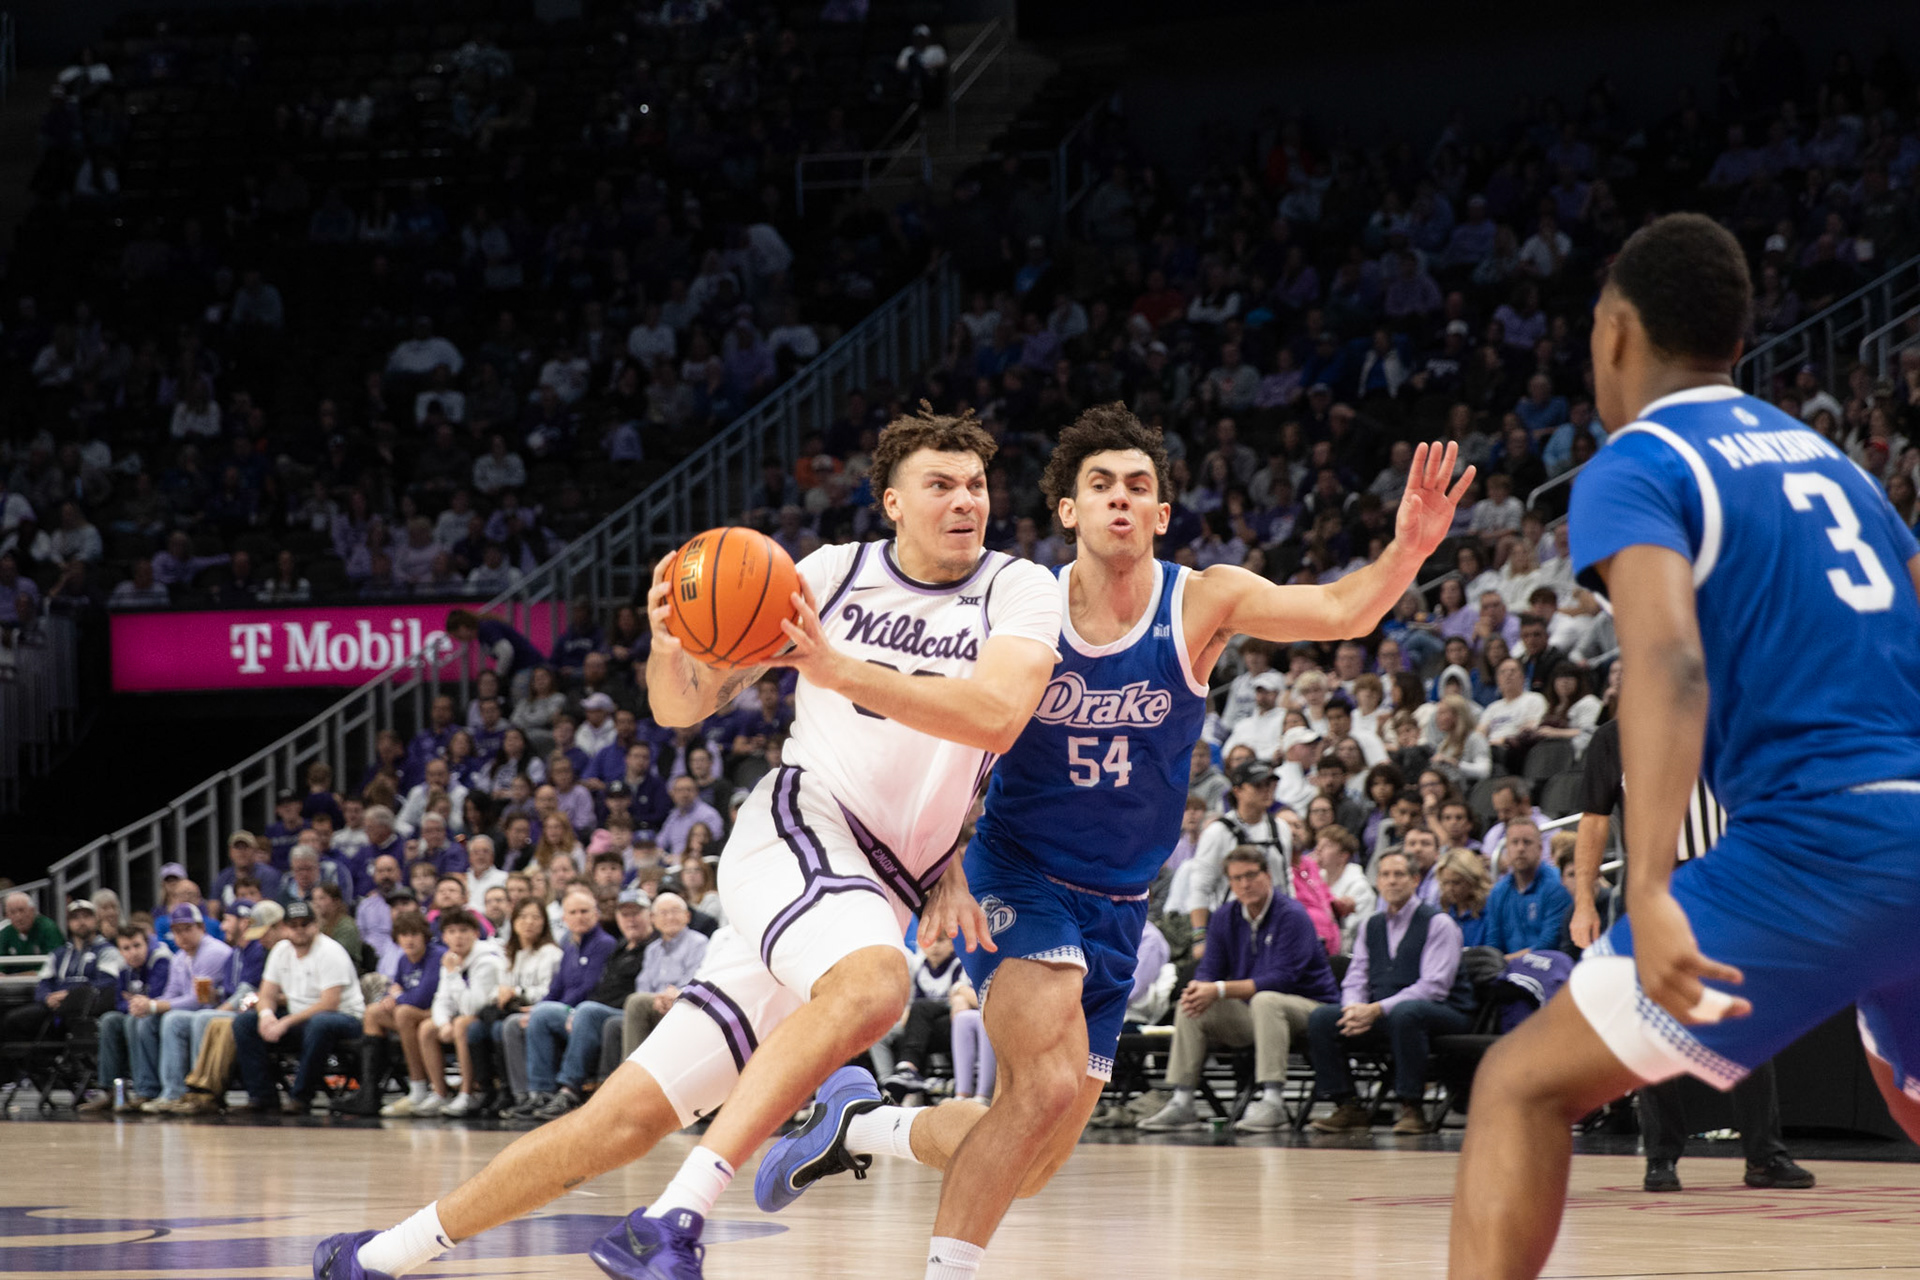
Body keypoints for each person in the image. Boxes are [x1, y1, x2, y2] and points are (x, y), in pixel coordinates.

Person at [315, 408, 1064, 1279]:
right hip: (802, 831)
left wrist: (844, 681)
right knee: (877, 985)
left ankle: (374, 1257)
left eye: (976, 484)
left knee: (620, 1123)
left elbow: (997, 718)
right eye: (940, 485)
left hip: (878, 887)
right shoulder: (829, 575)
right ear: (893, 502)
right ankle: (673, 1218)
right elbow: (683, 707)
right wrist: (672, 646)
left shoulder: (1018, 588)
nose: (966, 500)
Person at [755, 406, 1470, 1280]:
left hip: (1122, 903)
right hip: (1019, 873)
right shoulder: (1022, 608)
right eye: (1101, 486)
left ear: (1163, 513)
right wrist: (945, 863)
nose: (1121, 499)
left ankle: (862, 1126)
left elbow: (1340, 610)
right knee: (1044, 1088)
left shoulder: (1201, 600)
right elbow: (948, 735)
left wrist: (1408, 551)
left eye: (1138, 486)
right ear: (1069, 510)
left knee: (1032, 1158)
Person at [1448, 213, 1920, 1279]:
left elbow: (1666, 662)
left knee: (1519, 1084)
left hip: (1813, 841)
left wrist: (1652, 883)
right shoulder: (1834, 463)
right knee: (1908, 1094)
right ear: (1739, 341)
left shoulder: (1639, 462)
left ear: (1615, 332)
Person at [1567, 716, 1812, 1194]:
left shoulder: (1726, 721)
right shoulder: (1616, 736)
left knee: (1745, 1017)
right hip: (1653, 890)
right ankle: (1661, 1155)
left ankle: (1764, 1155)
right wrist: (1583, 902)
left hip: (1725, 886)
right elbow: (1593, 820)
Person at [1136, 847, 1338, 1131]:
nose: (1245, 884)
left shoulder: (1292, 914)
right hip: (1257, 1012)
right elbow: (1209, 970)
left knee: (1266, 999)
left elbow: (1282, 979)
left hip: (1310, 1007)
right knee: (1192, 1003)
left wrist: (1219, 989)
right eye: (1237, 878)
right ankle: (1182, 1102)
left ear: (1267, 876)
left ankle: (1273, 1102)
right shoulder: (1224, 916)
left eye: (1251, 875)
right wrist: (1200, 987)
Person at [1308, 851, 1476, 1136]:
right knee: (1323, 1018)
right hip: (1388, 1012)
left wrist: (1376, 1009)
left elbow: (1434, 987)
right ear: (1378, 882)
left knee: (1406, 1013)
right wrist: (1353, 1009)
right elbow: (1357, 976)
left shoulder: (1438, 923)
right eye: (1385, 875)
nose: (1391, 881)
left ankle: (1412, 1107)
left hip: (1446, 1011)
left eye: (1399, 875)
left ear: (1415, 880)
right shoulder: (1371, 925)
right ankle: (1347, 1105)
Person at [233, 900, 366, 1114]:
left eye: (305, 924)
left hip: (345, 1018)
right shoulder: (280, 951)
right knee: (245, 1022)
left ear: (316, 925)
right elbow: (266, 994)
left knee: (320, 1023)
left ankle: (301, 1097)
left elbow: (329, 1003)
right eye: (293, 925)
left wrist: (285, 1022)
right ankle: (262, 1096)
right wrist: (266, 1015)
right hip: (302, 1019)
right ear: (284, 928)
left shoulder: (330, 951)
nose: (299, 929)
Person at [0, 900, 121, 1051]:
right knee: (13, 1020)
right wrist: (47, 998)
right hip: (54, 1006)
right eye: (75, 918)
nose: (81, 922)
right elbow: (44, 983)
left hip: (88, 1008)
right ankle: (30, 1065)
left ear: (96, 920)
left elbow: (107, 983)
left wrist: (70, 995)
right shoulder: (59, 954)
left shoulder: (107, 951)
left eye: (86, 916)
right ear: (68, 923)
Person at [420, 908, 505, 1117]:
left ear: (475, 933)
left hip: (490, 1015)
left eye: (464, 930)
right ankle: (439, 1092)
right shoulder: (451, 959)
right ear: (444, 937)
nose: (458, 936)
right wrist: (443, 1024)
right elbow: (441, 1000)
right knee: (427, 1028)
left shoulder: (487, 960)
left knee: (461, 1024)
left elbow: (473, 1006)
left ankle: (467, 1093)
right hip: (469, 1013)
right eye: (452, 931)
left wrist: (453, 973)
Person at [1480, 819, 1571, 959]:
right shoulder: (1498, 892)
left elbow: (1549, 944)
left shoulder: (1558, 884)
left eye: (1527, 842)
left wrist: (1504, 961)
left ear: (1540, 849)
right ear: (1507, 850)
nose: (1520, 848)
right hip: (1507, 968)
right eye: (1514, 842)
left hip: (1549, 965)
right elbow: (1493, 942)